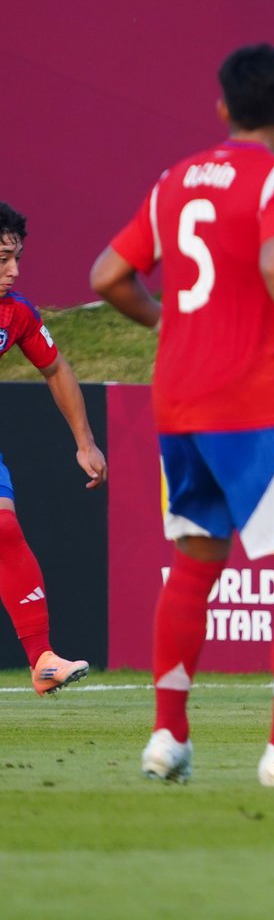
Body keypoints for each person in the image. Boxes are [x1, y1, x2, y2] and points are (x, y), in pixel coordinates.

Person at [90, 43, 274, 787]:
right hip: (248, 395)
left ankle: (168, 736)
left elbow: (107, 276)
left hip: (176, 398)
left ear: (222, 108)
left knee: (195, 559)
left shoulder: (175, 179)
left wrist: (168, 323)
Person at [0, 202, 107, 695]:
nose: (13, 270)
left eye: (17, 257)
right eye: (2, 258)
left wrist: (84, 441)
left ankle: (42, 659)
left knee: (4, 528)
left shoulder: (16, 313)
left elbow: (55, 367)